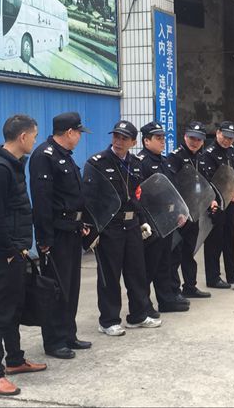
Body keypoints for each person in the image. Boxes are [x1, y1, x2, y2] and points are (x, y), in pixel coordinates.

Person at [0, 114, 47, 396]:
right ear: (23, 137)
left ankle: (15, 360)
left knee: (13, 308)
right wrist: (7, 251)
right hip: (3, 253)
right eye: (34, 136)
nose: (35, 141)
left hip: (16, 249)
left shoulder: (12, 165)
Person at [87, 120, 161, 336]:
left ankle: (138, 314)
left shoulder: (136, 163)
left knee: (136, 271)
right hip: (110, 226)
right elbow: (90, 199)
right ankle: (108, 320)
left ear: (133, 142)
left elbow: (137, 195)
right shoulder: (98, 163)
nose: (118, 141)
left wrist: (142, 220)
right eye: (116, 136)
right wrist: (93, 230)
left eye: (124, 138)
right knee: (110, 275)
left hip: (132, 224)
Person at [29, 112, 92, 360]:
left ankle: (68, 334)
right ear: (69, 132)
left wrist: (81, 223)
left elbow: (73, 196)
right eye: (78, 133)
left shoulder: (65, 155)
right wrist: (44, 238)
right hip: (56, 234)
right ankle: (54, 341)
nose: (79, 137)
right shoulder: (44, 157)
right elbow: (42, 200)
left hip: (71, 231)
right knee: (56, 288)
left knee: (71, 287)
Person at [138, 121, 190, 313]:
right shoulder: (141, 163)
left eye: (163, 138)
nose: (162, 141)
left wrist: (179, 212)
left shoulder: (164, 161)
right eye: (158, 138)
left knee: (165, 263)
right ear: (146, 141)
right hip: (152, 221)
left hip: (167, 221)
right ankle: (143, 305)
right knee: (149, 265)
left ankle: (166, 300)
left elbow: (172, 190)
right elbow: (140, 195)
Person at [167, 121, 213, 299]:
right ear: (185, 136)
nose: (195, 142)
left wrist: (210, 201)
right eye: (192, 138)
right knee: (175, 254)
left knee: (189, 251)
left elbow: (205, 183)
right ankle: (173, 290)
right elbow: (171, 187)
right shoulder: (175, 157)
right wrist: (178, 210)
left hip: (195, 212)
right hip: (180, 215)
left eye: (199, 139)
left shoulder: (201, 157)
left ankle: (190, 286)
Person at [199, 121, 234, 288]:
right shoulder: (208, 154)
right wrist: (228, 195)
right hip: (216, 204)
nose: (227, 141)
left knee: (231, 239)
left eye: (231, 138)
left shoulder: (231, 152)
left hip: (231, 204)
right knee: (214, 242)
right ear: (217, 133)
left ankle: (233, 273)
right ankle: (213, 277)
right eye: (225, 137)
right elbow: (210, 182)